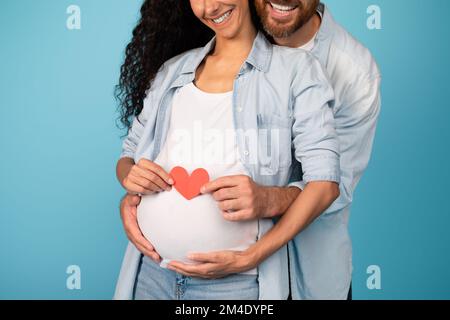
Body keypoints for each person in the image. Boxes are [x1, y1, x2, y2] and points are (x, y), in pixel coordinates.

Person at [114, 0, 340, 300]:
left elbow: (325, 185)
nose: (210, 7)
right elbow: (128, 154)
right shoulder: (173, 71)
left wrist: (252, 256)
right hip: (153, 274)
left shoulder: (297, 71)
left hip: (236, 286)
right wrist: (130, 178)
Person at [165, 1, 381, 300]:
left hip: (307, 278)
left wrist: (270, 198)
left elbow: (335, 186)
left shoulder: (354, 70)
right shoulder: (228, 27)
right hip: (218, 284)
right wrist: (142, 198)